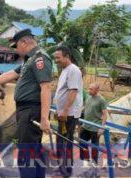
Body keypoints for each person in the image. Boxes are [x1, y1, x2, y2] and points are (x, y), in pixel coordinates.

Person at [0, 29, 52, 178]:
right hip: (25, 111)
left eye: (16, 46)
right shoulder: (28, 61)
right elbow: (10, 74)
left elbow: (46, 87)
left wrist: (44, 118)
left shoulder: (40, 58)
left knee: (26, 153)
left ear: (24, 42)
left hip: (31, 111)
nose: (16, 50)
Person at [54, 46, 83, 176]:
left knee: (66, 141)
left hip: (69, 114)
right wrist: (58, 110)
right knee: (60, 140)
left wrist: (65, 111)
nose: (56, 60)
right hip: (64, 113)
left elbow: (73, 91)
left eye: (58, 58)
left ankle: (67, 169)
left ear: (67, 57)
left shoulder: (73, 70)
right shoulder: (65, 70)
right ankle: (62, 166)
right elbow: (63, 91)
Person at [80, 83, 108, 164]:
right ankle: (85, 160)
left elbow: (105, 114)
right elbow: (85, 107)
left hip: (95, 127)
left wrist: (102, 127)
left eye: (91, 89)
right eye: (89, 88)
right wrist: (78, 113)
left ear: (97, 90)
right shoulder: (88, 97)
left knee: (94, 146)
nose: (89, 90)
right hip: (85, 125)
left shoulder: (101, 100)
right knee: (82, 143)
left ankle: (94, 162)